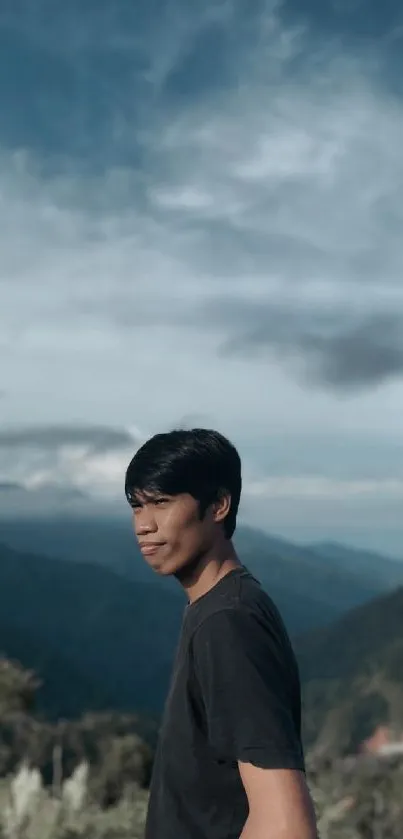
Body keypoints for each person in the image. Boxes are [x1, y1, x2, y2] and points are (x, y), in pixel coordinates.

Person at [125, 428, 318, 839]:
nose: (144, 524)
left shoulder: (227, 622)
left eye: (161, 502)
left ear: (218, 505)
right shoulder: (219, 608)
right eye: (137, 506)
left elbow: (286, 825)